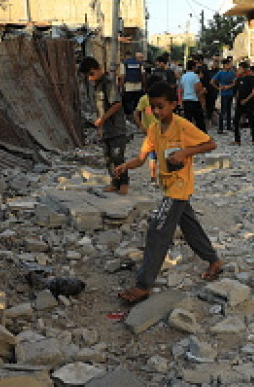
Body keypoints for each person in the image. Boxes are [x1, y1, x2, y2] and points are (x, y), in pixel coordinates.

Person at [114, 82, 223, 304]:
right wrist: (125, 166)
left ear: (174, 104)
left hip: (180, 186)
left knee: (157, 229)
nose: (156, 112)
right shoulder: (154, 128)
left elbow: (210, 144)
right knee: (190, 226)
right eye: (153, 107)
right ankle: (213, 260)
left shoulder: (182, 126)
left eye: (161, 107)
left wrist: (185, 152)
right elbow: (142, 158)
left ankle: (142, 285)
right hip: (167, 184)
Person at [80, 56, 130, 194]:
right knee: (108, 158)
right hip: (105, 130)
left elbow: (117, 104)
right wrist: (99, 126)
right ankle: (114, 182)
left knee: (118, 157)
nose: (90, 78)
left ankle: (124, 183)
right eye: (88, 76)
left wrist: (103, 118)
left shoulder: (108, 84)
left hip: (116, 128)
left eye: (91, 74)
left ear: (98, 69)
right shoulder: (96, 87)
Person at [233, 64, 254, 145]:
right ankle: (237, 139)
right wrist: (236, 101)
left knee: (251, 120)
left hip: (249, 103)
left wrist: (246, 100)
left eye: (240, 68)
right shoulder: (238, 79)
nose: (239, 70)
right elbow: (237, 91)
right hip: (240, 102)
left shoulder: (251, 78)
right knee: (236, 120)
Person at [178, 59, 207, 132]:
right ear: (193, 67)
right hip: (194, 100)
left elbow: (181, 89)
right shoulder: (195, 76)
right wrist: (203, 100)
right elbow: (198, 89)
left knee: (188, 120)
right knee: (199, 120)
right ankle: (202, 135)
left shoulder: (183, 76)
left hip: (186, 100)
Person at [119, 51, 147, 120]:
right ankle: (137, 118)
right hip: (138, 87)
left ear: (125, 56)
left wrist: (121, 87)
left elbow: (123, 76)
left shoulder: (124, 64)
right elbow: (143, 75)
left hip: (128, 88)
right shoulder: (139, 64)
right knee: (137, 104)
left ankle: (130, 117)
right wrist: (144, 86)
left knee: (127, 103)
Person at [211, 60, 237, 134]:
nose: (229, 66)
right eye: (228, 64)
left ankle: (228, 126)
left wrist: (225, 87)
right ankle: (221, 127)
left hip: (228, 92)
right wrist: (218, 88)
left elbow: (235, 82)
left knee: (228, 109)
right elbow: (212, 81)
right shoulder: (221, 73)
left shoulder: (231, 72)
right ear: (224, 65)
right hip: (225, 93)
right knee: (224, 110)